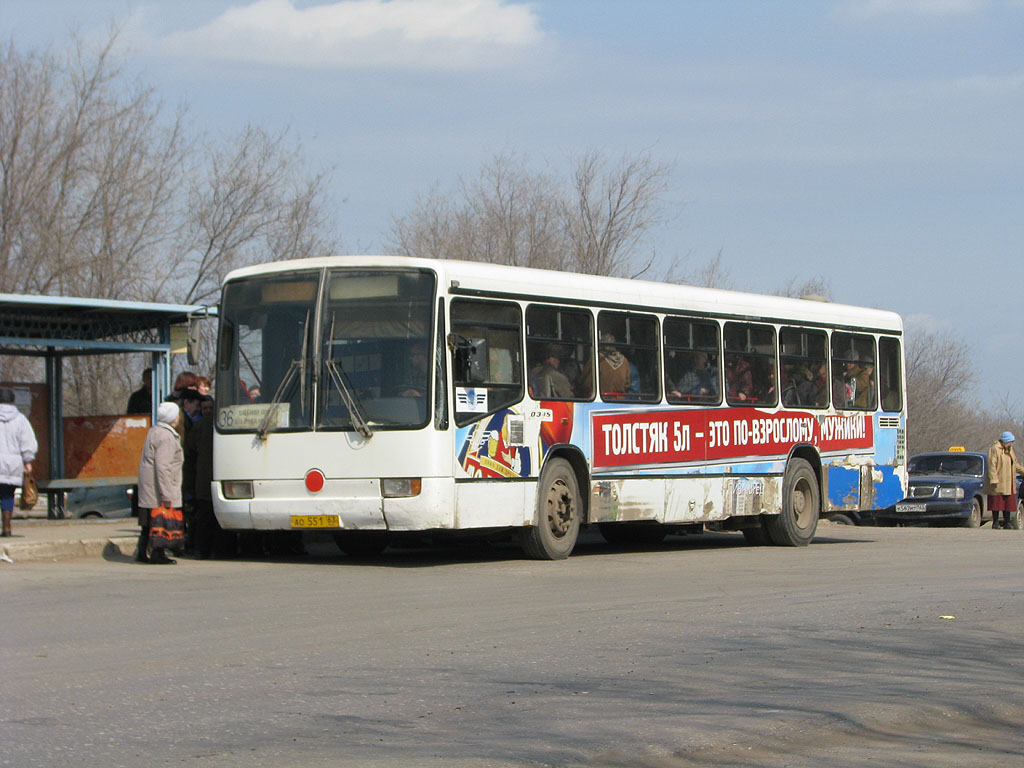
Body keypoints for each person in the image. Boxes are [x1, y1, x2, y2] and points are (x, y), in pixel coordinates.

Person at [136, 401, 185, 563]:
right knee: (160, 522)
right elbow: (163, 467)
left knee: (148, 523)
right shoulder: (166, 436)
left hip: (149, 486)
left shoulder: (154, 431)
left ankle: (142, 552)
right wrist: (167, 494)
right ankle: (157, 554)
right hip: (158, 488)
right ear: (173, 417)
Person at [0, 388, 37, 537]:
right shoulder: (20, 419)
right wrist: (28, 460)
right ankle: (7, 528)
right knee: (8, 495)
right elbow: (28, 442)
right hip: (13, 464)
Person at [984, 431, 1024, 529]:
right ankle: (996, 522)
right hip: (998, 481)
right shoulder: (994, 449)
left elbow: (1015, 465)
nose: (1011, 444)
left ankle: (1007, 522)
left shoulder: (1010, 450)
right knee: (997, 502)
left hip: (1008, 481)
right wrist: (993, 479)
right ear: (1005, 441)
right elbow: (991, 465)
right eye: (1010, 442)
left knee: (1008, 503)